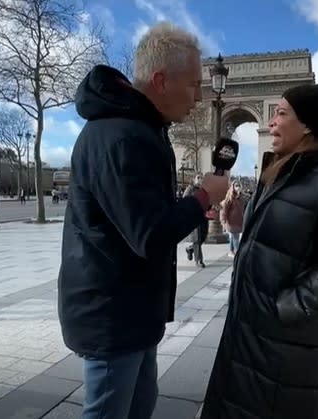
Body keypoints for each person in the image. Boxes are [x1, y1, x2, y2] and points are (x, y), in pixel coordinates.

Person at [57, 22, 230, 419]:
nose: (200, 97)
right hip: (114, 314)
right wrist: (203, 196)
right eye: (193, 85)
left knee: (138, 406)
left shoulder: (136, 129)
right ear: (160, 81)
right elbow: (149, 234)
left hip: (128, 308)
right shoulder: (125, 138)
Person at [201, 84, 318, 419]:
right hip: (246, 331)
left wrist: (283, 310)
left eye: (281, 114)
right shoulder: (276, 172)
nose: (270, 124)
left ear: (308, 124)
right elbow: (279, 241)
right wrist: (241, 222)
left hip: (284, 344)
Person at [184, 175, 209, 268]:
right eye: (198, 177)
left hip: (204, 216)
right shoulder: (190, 189)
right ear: (194, 179)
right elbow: (184, 199)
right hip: (194, 217)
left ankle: (190, 249)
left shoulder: (204, 190)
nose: (200, 179)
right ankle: (198, 260)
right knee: (197, 239)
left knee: (203, 237)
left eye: (201, 178)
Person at [220, 181, 246, 257]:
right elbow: (224, 210)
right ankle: (238, 254)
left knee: (233, 237)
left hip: (239, 221)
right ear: (233, 187)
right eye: (236, 186)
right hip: (231, 222)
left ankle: (231, 251)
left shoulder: (242, 197)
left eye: (239, 185)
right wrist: (223, 222)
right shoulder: (229, 198)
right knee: (235, 238)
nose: (238, 187)